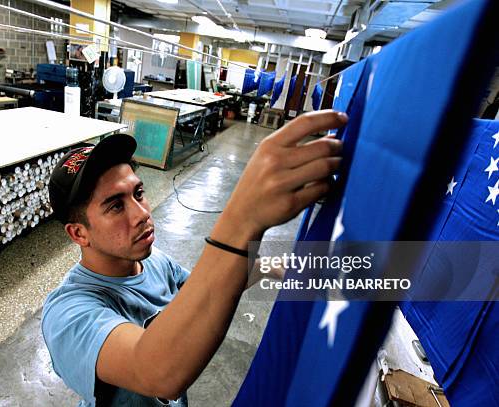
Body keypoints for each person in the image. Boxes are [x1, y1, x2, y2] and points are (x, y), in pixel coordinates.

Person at [41, 110, 348, 406]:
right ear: (79, 234)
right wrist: (241, 221)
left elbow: (202, 291)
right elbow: (157, 372)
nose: (142, 214)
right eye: (115, 206)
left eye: (138, 194)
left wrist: (271, 267)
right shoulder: (67, 313)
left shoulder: (153, 261)